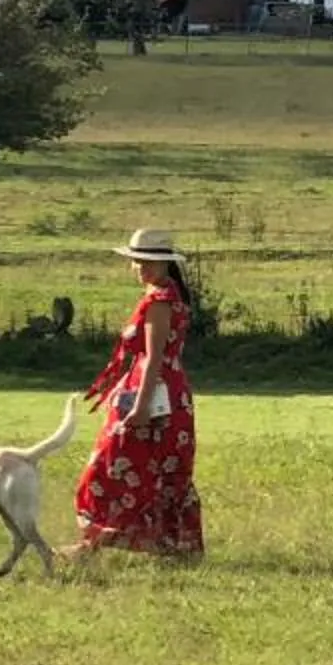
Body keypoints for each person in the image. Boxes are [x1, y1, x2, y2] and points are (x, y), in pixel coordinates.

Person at [73, 228, 205, 561]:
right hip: (167, 390)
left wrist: (142, 405)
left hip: (153, 390)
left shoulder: (159, 300)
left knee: (112, 462)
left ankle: (93, 542)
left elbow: (154, 357)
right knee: (159, 466)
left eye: (151, 261)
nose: (143, 267)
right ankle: (169, 544)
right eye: (138, 261)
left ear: (165, 265)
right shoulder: (168, 293)